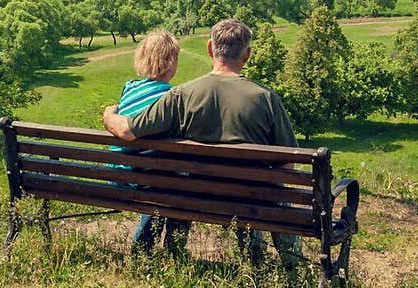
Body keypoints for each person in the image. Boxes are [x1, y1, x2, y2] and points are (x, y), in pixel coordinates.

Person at [102, 17, 304, 269]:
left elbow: (128, 130)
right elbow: (288, 164)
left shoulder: (181, 95)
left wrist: (109, 116)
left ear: (210, 48)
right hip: (252, 200)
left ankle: (174, 253)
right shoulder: (266, 99)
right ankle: (284, 266)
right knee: (275, 192)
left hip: (199, 194)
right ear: (247, 55)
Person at [109, 29, 183, 254]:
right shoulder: (173, 97)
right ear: (170, 63)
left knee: (160, 174)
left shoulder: (129, 88)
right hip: (148, 181)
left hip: (121, 174)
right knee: (179, 182)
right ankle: (174, 247)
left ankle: (144, 248)